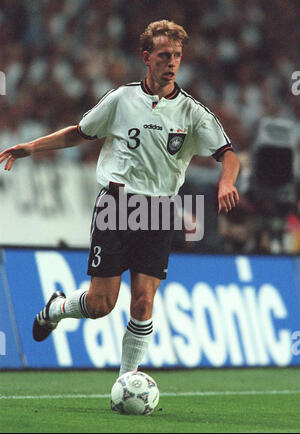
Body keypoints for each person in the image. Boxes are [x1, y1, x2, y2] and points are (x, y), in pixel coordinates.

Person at [0, 20, 240, 375]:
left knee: (143, 301)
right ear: (147, 57)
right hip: (116, 206)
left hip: (159, 210)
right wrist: (31, 148)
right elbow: (79, 133)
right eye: (163, 55)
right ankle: (56, 308)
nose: (171, 62)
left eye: (176, 56)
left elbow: (228, 154)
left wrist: (226, 182)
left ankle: (126, 380)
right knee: (100, 304)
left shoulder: (193, 113)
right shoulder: (121, 99)